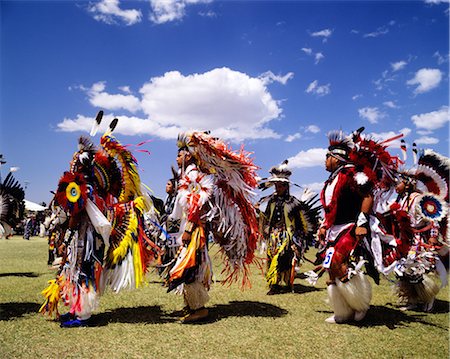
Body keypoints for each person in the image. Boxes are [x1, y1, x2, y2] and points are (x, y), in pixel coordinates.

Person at [40, 113, 157, 327]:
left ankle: (83, 314)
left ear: (82, 166)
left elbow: (76, 214)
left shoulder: (86, 189)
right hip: (81, 237)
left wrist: (66, 232)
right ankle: (76, 309)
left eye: (75, 162)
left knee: (83, 270)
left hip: (87, 239)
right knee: (74, 270)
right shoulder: (84, 187)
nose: (72, 165)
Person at [166, 131, 259, 323]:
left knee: (189, 266)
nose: (176, 158)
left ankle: (199, 309)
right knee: (190, 266)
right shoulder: (188, 175)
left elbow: (196, 204)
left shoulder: (193, 175)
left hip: (195, 231)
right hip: (190, 229)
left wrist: (189, 229)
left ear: (188, 154)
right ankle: (191, 305)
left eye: (179, 154)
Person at [317, 130, 376, 324]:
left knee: (340, 264)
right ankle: (342, 312)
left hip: (350, 226)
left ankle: (360, 305)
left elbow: (367, 195)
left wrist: (362, 222)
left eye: (327, 157)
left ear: (336, 158)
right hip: (334, 229)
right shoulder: (331, 180)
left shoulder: (351, 174)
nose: (325, 161)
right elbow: (331, 208)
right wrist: (325, 226)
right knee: (331, 268)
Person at [258, 160, 321, 294]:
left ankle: (286, 283)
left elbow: (303, 220)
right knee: (272, 257)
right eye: (276, 186)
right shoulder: (271, 201)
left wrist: (301, 237)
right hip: (274, 235)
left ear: (286, 186)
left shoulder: (293, 202)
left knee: (284, 258)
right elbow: (267, 217)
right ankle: (274, 284)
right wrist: (258, 214)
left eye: (280, 186)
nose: (277, 188)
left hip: (288, 236)